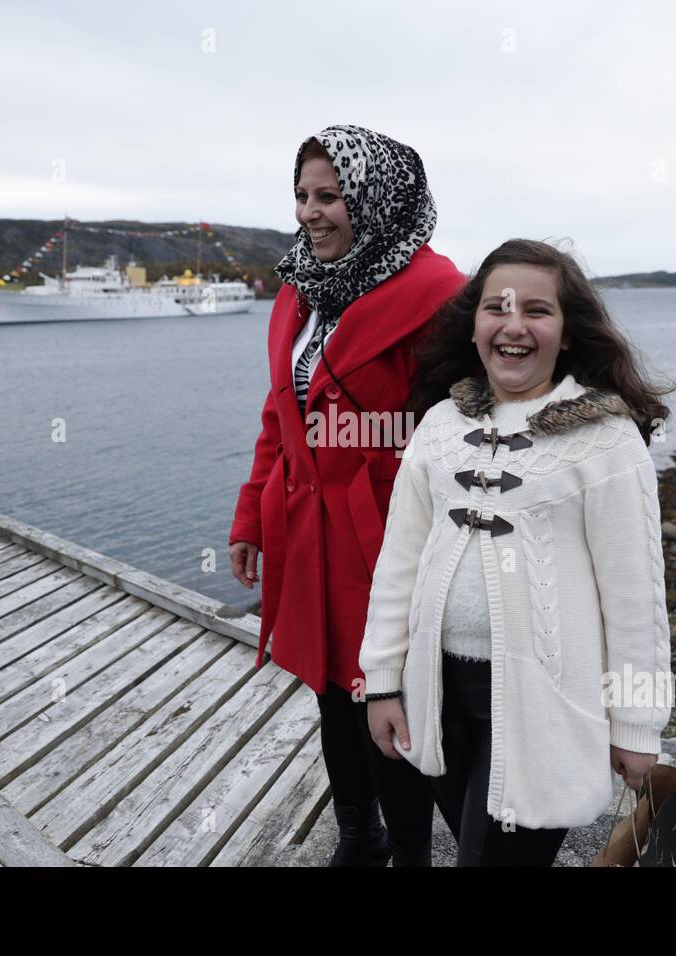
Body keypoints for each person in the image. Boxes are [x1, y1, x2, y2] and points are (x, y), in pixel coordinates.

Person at [360, 238, 676, 866]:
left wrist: (637, 726)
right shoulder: (440, 424)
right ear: (474, 323)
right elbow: (398, 561)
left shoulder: (606, 440)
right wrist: (383, 683)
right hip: (437, 692)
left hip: (548, 706)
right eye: (496, 308)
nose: (514, 325)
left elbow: (634, 595)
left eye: (537, 310)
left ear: (567, 331)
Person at [228, 125, 466, 866]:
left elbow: (463, 428)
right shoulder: (301, 288)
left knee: (386, 699)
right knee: (333, 694)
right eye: (301, 195)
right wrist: (251, 516)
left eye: (328, 196)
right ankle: (357, 833)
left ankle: (410, 852)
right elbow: (280, 414)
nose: (309, 212)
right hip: (306, 534)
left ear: (374, 199)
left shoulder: (439, 297)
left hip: (386, 540)